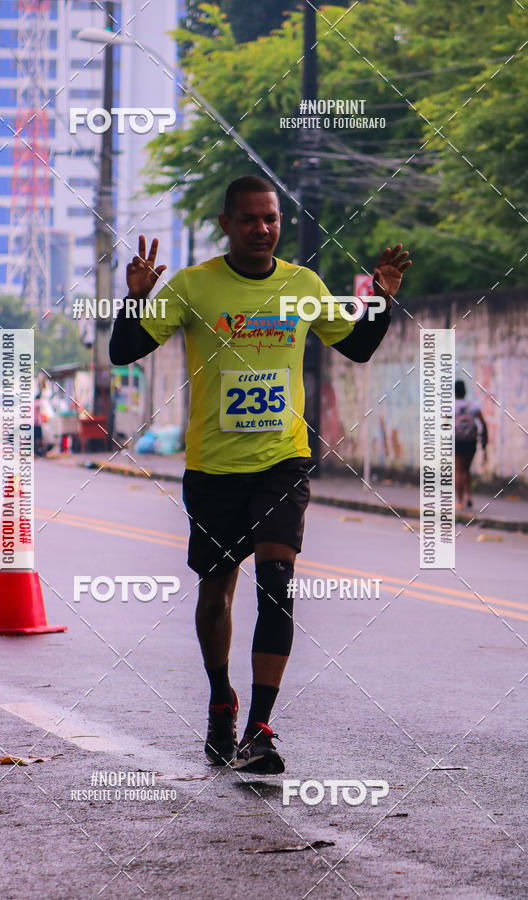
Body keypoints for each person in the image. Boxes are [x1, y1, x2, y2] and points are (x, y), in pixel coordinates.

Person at [110, 175, 411, 774]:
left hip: (283, 460)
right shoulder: (194, 287)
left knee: (277, 583)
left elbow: (357, 346)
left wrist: (381, 293)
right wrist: (138, 299)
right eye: (249, 219)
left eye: (271, 218)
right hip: (215, 467)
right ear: (227, 224)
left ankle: (259, 730)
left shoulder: (303, 285)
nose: (263, 229)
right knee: (217, 589)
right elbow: (122, 352)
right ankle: (222, 697)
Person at [455, 379, 487, 509]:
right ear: (465, 391)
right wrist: (484, 441)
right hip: (471, 441)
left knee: (458, 471)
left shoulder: (450, 407)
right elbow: (483, 424)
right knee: (466, 470)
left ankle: (460, 502)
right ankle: (469, 495)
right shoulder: (473, 406)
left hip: (457, 441)